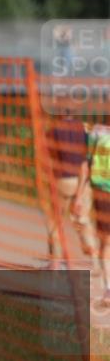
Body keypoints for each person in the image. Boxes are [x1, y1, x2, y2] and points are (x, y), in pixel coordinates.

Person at [47, 115, 97, 270]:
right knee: (83, 222)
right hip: (83, 180)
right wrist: (80, 194)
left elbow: (51, 161)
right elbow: (86, 162)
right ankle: (96, 264)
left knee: (56, 224)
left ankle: (54, 266)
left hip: (63, 181)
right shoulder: (85, 129)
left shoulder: (52, 131)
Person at [80, 123, 110, 307]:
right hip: (103, 192)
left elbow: (87, 162)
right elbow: (87, 161)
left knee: (106, 242)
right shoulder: (97, 132)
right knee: (106, 241)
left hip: (102, 191)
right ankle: (108, 289)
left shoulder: (96, 131)